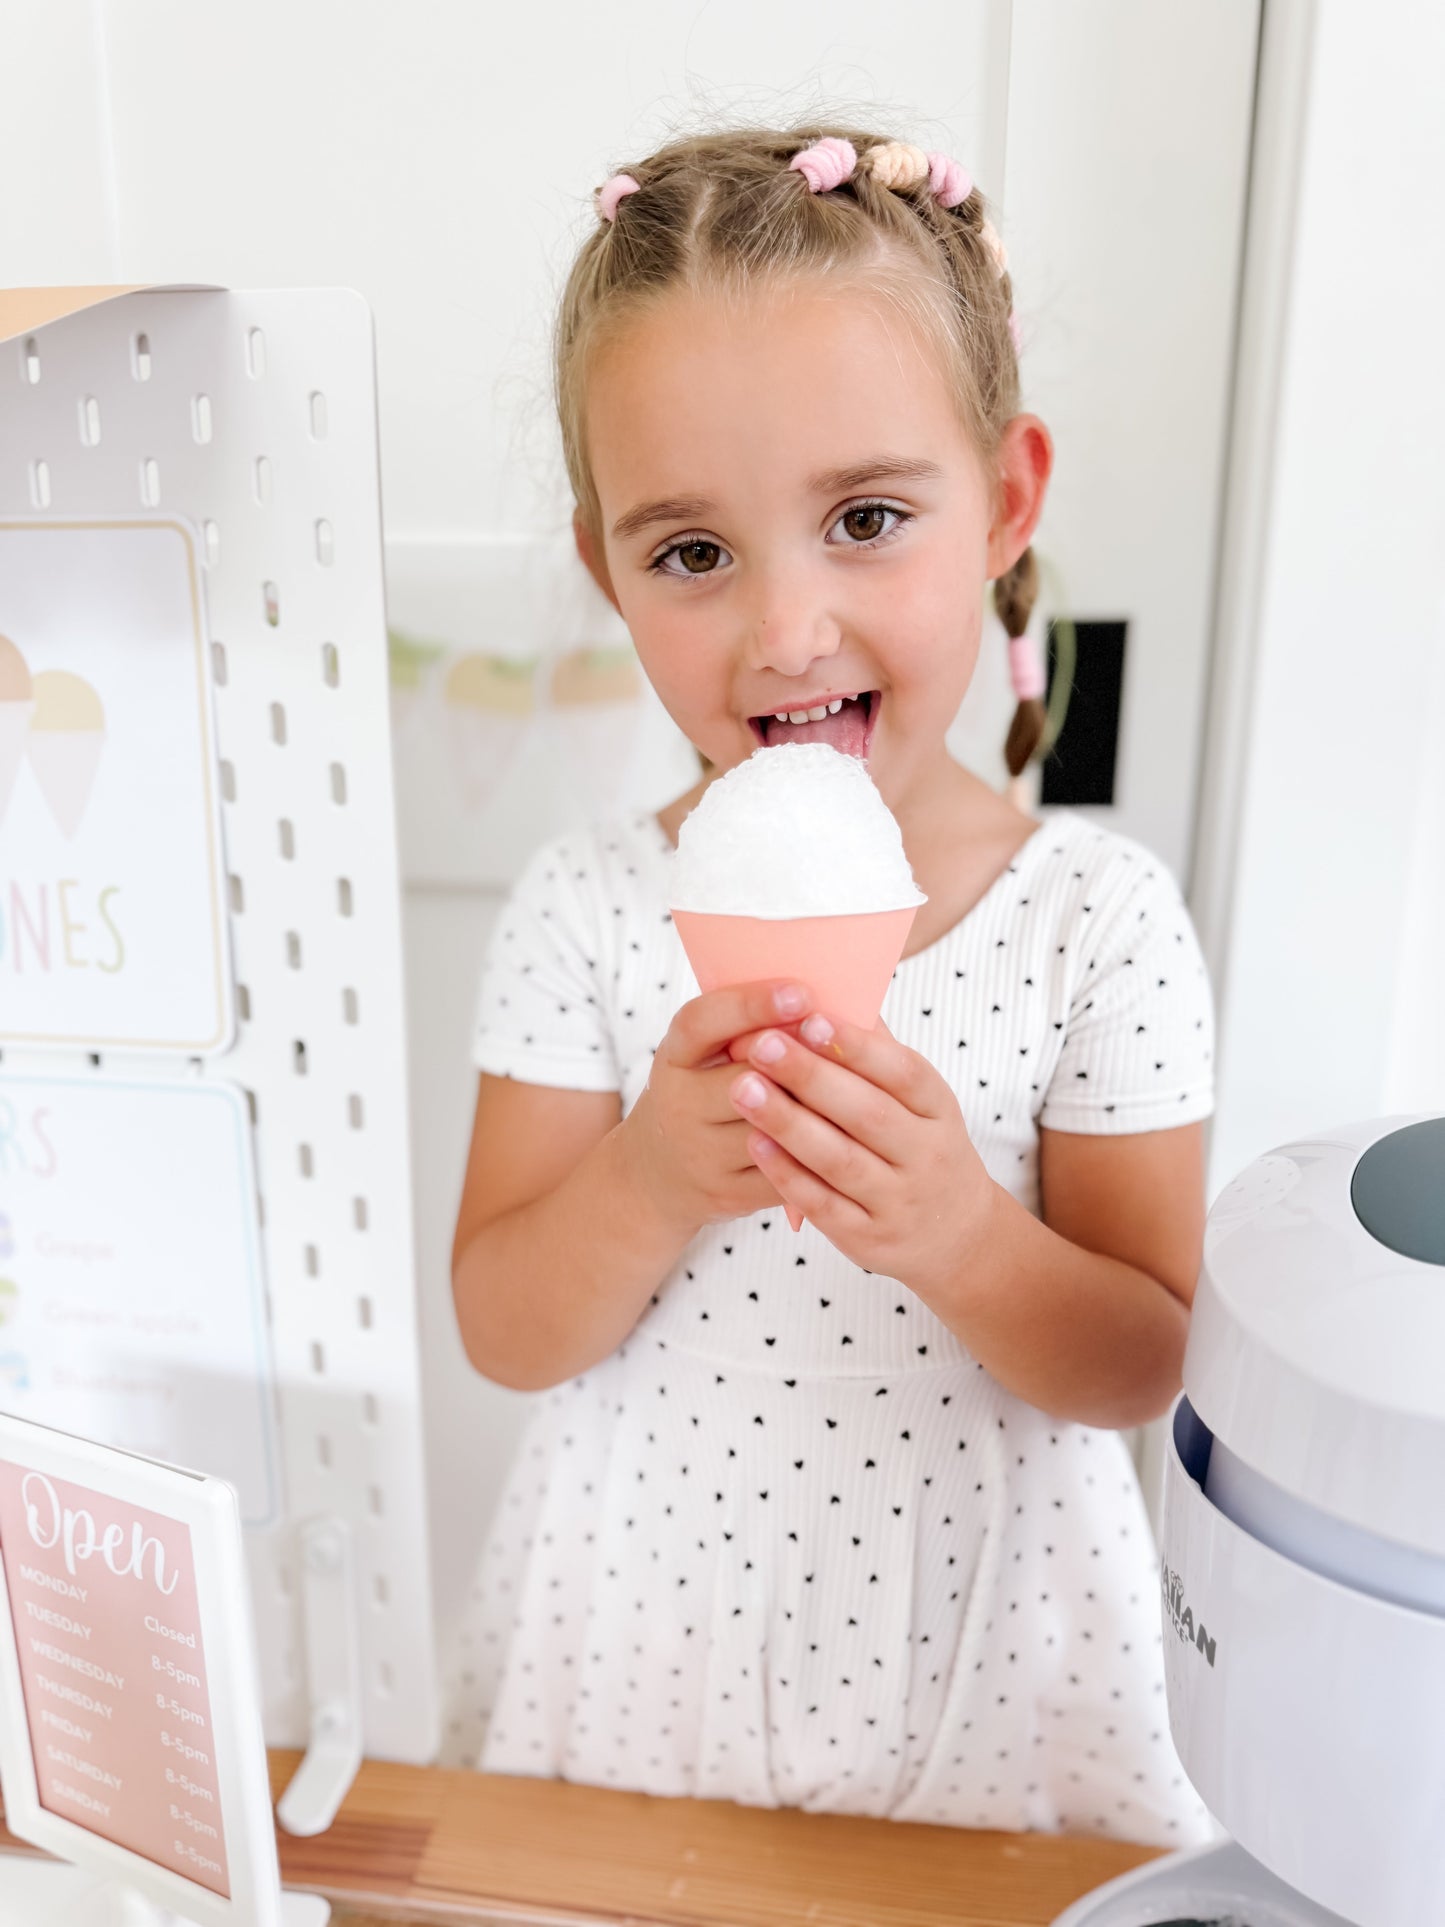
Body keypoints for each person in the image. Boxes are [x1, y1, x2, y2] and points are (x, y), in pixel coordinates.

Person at [442, 124, 1215, 1846]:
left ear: (1006, 500)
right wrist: (645, 1176)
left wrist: (958, 1229)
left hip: (985, 1672)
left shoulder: (1093, 921)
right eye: (691, 553)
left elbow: (1146, 1356)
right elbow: (504, 1326)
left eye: (866, 519)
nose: (786, 630)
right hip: (641, 1649)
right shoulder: (588, 907)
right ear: (606, 571)